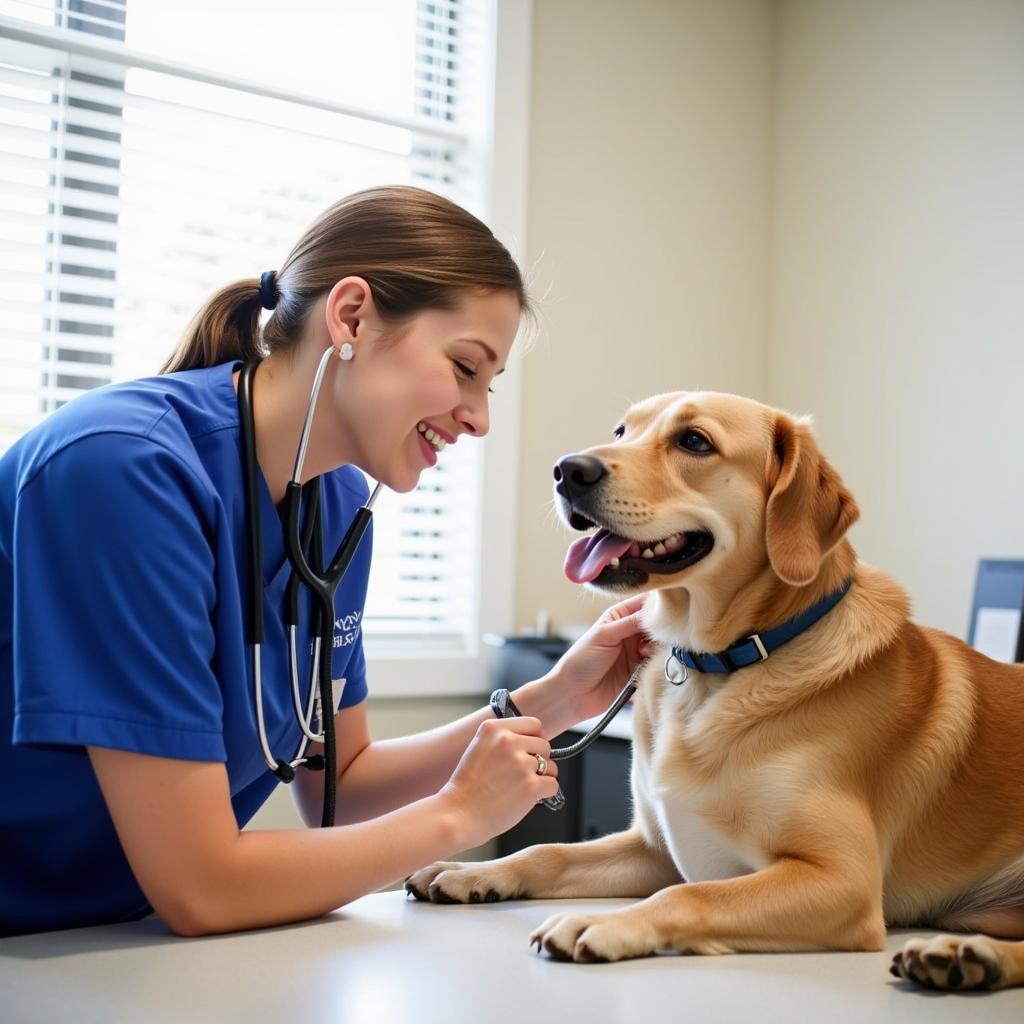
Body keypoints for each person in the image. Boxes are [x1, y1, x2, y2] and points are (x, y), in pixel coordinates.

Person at [0, 185, 649, 938]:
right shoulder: (121, 470)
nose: (479, 417)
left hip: (102, 942)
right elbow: (201, 886)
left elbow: (341, 784)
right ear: (350, 317)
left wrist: (553, 701)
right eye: (466, 368)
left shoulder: (335, 507)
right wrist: (456, 817)